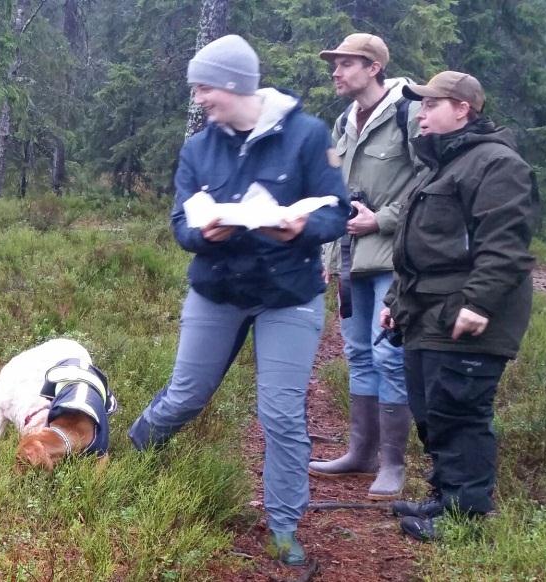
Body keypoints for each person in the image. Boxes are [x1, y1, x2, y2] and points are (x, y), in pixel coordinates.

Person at [124, 35, 348, 566]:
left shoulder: (307, 136)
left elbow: (338, 211)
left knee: (281, 413)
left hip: (287, 294)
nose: (199, 98)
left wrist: (300, 226)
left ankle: (285, 529)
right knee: (184, 395)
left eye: (204, 87)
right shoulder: (199, 148)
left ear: (233, 83)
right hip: (217, 289)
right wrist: (206, 235)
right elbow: (182, 223)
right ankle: (125, 461)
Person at [381, 71, 537, 542]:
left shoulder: (496, 165)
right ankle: (447, 495)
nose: (420, 114)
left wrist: (480, 303)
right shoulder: (441, 166)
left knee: (461, 411)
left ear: (461, 108)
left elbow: (505, 246)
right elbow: (417, 247)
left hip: (469, 311)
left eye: (430, 105)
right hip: (427, 309)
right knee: (431, 409)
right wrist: (394, 300)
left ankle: (465, 517)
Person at [309, 34, 424, 500]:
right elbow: (334, 192)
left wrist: (385, 218)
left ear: (373, 67)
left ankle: (393, 464)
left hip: (392, 259)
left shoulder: (408, 114)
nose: (336, 72)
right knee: (358, 355)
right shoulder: (344, 121)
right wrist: (325, 255)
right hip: (349, 259)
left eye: (345, 64)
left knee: (388, 355)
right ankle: (361, 454)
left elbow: (428, 183)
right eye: (334, 64)